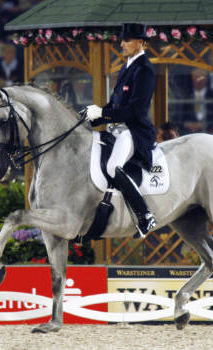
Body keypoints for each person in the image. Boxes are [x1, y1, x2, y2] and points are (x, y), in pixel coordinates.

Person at [85, 23, 157, 236]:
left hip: (134, 131)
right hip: (118, 130)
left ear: (140, 42)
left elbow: (135, 111)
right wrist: (91, 118)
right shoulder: (127, 66)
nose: (122, 44)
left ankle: (145, 215)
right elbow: (115, 105)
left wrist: (103, 114)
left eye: (126, 40)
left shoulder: (144, 69)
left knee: (112, 166)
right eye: (122, 40)